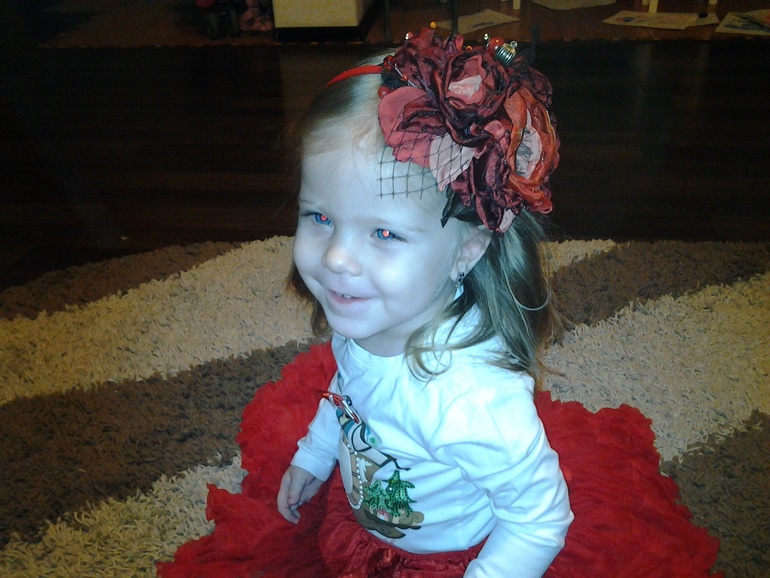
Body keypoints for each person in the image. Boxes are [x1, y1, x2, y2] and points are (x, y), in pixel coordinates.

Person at [276, 28, 573, 577]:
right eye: (319, 217)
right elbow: (348, 391)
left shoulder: (472, 402)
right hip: (373, 517)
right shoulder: (370, 310)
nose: (337, 258)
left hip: (448, 560)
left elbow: (539, 519)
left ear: (467, 249)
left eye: (384, 234)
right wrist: (315, 455)